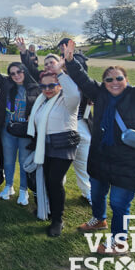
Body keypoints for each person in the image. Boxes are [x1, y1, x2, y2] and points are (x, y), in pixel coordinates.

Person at [66, 37, 135, 254]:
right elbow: (82, 80)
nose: (114, 82)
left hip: (128, 160)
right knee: (98, 194)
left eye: (119, 78)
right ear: (103, 82)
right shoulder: (100, 94)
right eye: (109, 79)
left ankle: (119, 242)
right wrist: (71, 61)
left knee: (120, 203)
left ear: (126, 79)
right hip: (101, 156)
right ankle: (99, 219)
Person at [17, 37, 92, 203]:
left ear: (61, 62)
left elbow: (86, 85)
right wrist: (24, 52)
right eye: (46, 63)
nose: (49, 65)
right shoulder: (46, 81)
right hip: (57, 128)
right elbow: (30, 69)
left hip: (80, 123)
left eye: (52, 62)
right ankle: (54, 195)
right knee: (57, 171)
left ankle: (88, 194)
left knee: (83, 162)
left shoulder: (72, 76)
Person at [26, 68, 81, 237]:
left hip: (62, 147)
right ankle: (48, 210)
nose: (47, 89)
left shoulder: (67, 100)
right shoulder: (42, 100)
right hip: (45, 147)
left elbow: (74, 93)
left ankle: (58, 219)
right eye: (43, 86)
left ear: (60, 85)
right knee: (47, 181)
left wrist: (62, 73)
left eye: (52, 85)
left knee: (54, 181)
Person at [0, 42, 40, 205]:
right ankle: (9, 185)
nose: (16, 75)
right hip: (7, 128)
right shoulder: (7, 84)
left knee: (24, 160)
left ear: (24, 72)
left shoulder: (34, 87)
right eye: (12, 73)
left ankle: (23, 190)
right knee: (8, 160)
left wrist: (24, 53)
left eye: (19, 72)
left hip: (25, 130)